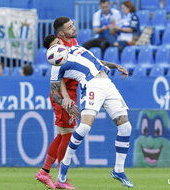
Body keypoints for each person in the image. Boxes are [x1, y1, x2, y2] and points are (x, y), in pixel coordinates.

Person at [50, 45, 134, 188]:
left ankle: (118, 170)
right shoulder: (56, 67)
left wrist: (116, 66)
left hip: (108, 83)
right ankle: (65, 164)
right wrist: (65, 103)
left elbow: (96, 61)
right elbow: (54, 90)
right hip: (91, 85)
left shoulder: (76, 48)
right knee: (84, 127)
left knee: (126, 127)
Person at [35, 16, 78, 190]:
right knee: (67, 135)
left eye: (73, 24)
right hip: (62, 96)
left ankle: (44, 172)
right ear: (61, 33)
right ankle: (61, 178)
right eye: (70, 26)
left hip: (72, 92)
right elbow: (57, 75)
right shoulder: (57, 49)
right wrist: (66, 97)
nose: (74, 28)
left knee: (62, 135)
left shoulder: (73, 40)